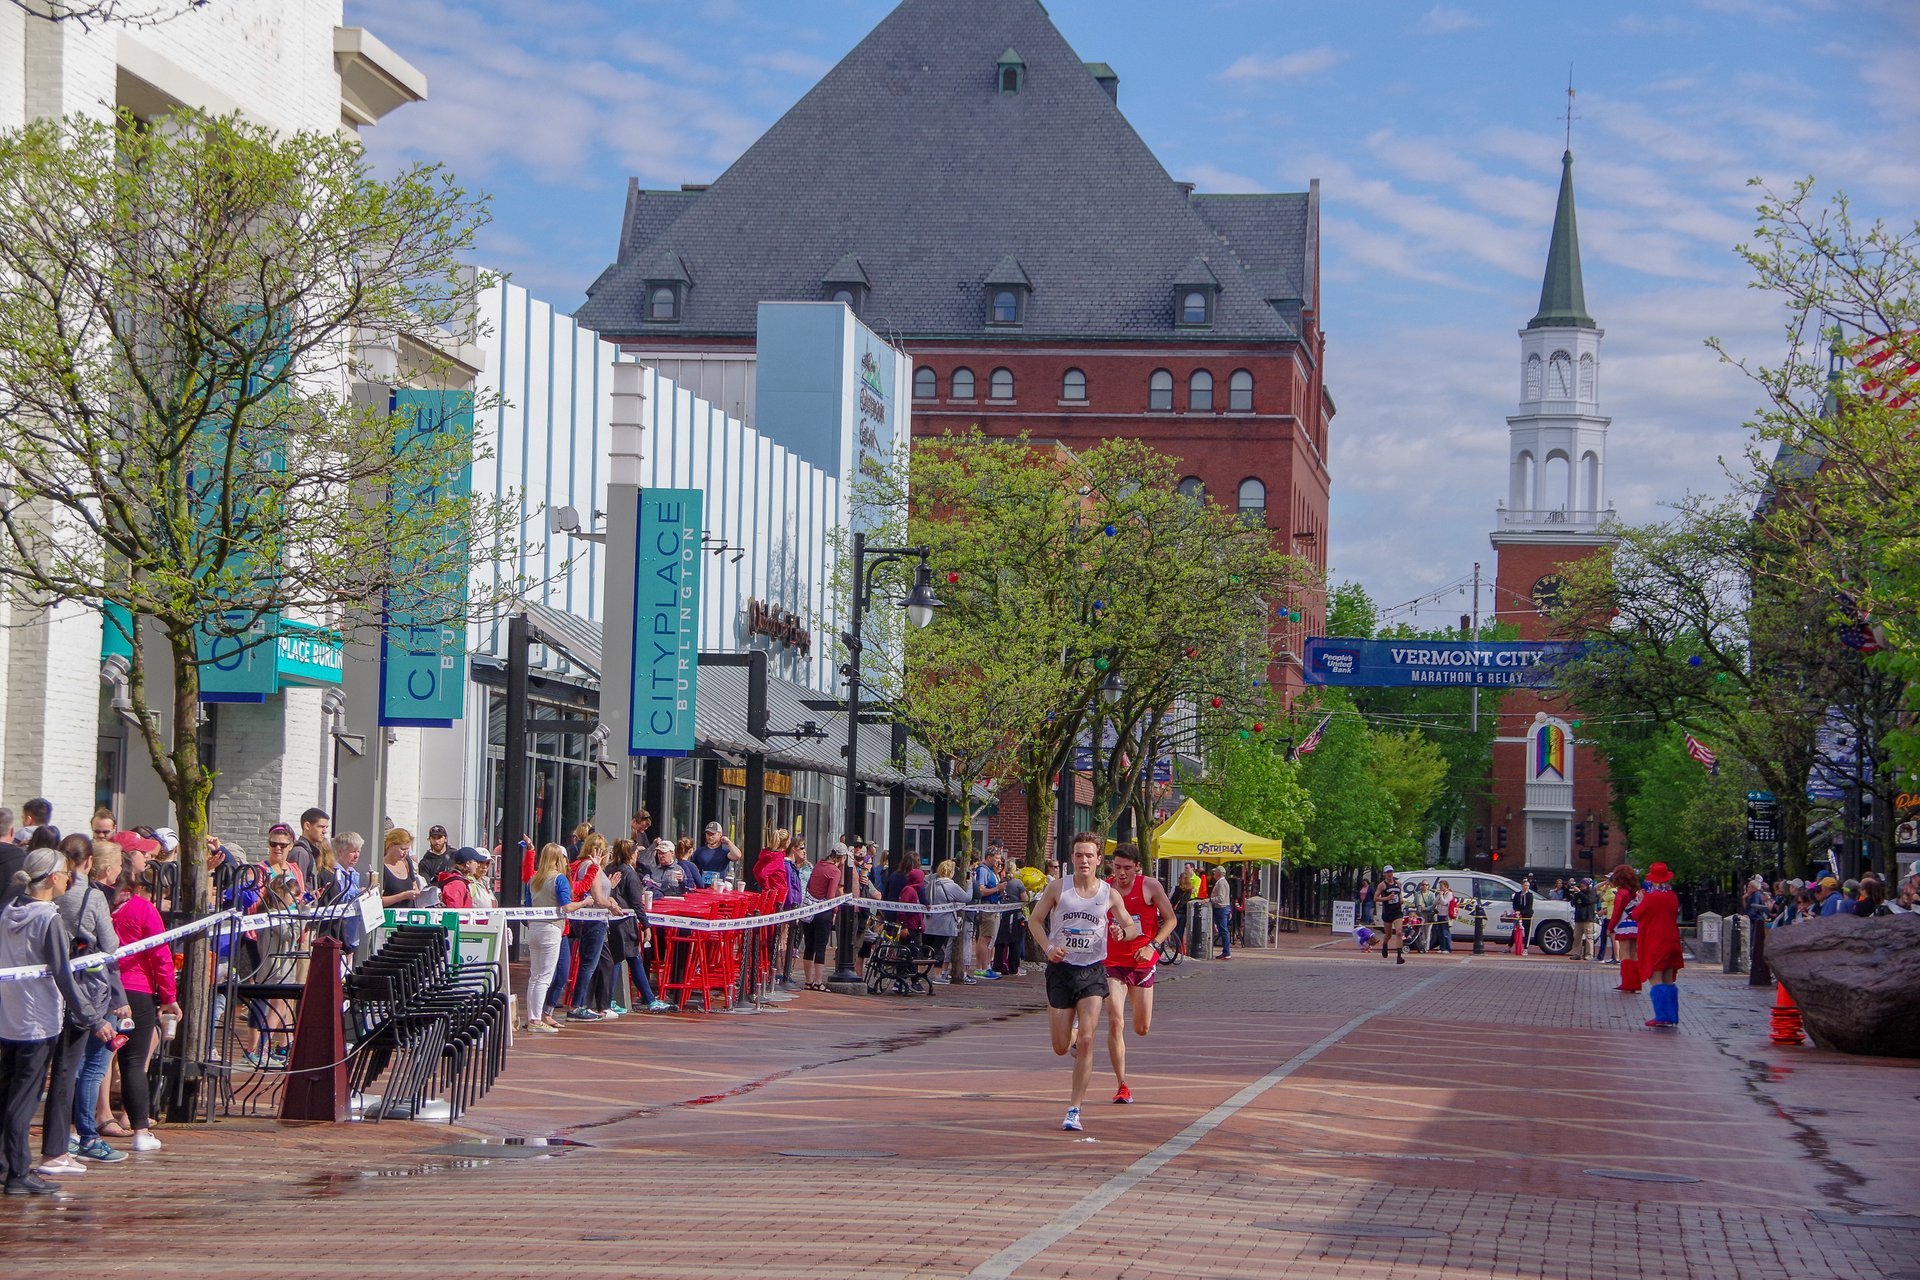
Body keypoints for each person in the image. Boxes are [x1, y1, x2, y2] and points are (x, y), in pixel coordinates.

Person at [2, 849, 116, 1195]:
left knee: (7, 1094)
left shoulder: (8, 911)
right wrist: (94, 1018)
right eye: (66, 873)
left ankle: (6, 1165)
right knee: (23, 1100)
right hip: (37, 1022)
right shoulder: (47, 919)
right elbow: (63, 975)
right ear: (52, 877)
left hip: (8, 1017)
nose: (70, 878)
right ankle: (19, 1173)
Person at [1026, 831, 1138, 1133]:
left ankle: (1074, 1109)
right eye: (1079, 855)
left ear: (1099, 859)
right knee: (1062, 1047)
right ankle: (1072, 1037)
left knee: (1088, 1040)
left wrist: (1121, 932)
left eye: (1089, 855)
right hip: (1061, 971)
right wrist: (1049, 948)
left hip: (1092, 971)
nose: (1084, 860)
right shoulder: (1058, 889)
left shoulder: (1108, 893)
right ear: (1072, 858)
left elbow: (1130, 925)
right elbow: (1034, 921)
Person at [44, 835, 127, 1173]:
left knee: (61, 1070)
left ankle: (63, 1139)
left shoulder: (52, 895)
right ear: (90, 862)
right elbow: (110, 945)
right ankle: (82, 1138)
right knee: (84, 1068)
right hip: (87, 990)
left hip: (50, 989)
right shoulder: (92, 897)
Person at [110, 858, 177, 1153]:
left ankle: (83, 1128)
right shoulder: (143, 909)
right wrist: (169, 997)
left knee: (92, 1066)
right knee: (134, 1063)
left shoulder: (97, 907)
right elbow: (160, 955)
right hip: (136, 989)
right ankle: (140, 1129)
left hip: (99, 989)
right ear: (135, 885)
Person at [1103, 842, 1176, 1105]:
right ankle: (1122, 1084)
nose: (1121, 873)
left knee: (1141, 1028)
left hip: (1143, 962)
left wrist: (1153, 945)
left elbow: (1170, 920)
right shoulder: (1106, 888)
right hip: (1113, 962)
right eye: (1117, 867)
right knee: (1115, 1020)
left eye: (1127, 868)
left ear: (1138, 868)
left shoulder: (1150, 886)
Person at [604, 839, 673, 1014]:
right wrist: (646, 925)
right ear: (631, 854)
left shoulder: (609, 869)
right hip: (624, 922)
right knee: (624, 959)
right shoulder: (629, 873)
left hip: (611, 920)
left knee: (628, 959)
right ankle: (611, 999)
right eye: (636, 853)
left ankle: (647, 998)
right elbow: (636, 903)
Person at [523, 844, 579, 1033]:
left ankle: (532, 1017)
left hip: (534, 928)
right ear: (557, 859)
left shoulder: (532, 880)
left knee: (535, 976)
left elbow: (529, 907)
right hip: (552, 928)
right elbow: (567, 907)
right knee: (545, 977)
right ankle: (537, 1020)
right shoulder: (559, 879)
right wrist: (585, 902)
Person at [1633, 862, 1684, 1028]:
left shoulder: (1651, 898)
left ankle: (1662, 1015)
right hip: (1672, 940)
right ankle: (1671, 1015)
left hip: (1656, 940)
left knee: (1656, 978)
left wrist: (1641, 901)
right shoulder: (1672, 896)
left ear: (1653, 880)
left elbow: (1636, 914)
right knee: (1669, 979)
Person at [801, 846, 846, 991]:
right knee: (820, 947)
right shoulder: (835, 871)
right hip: (823, 912)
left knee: (809, 946)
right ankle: (819, 982)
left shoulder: (818, 865)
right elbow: (831, 896)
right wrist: (835, 911)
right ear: (841, 857)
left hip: (809, 910)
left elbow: (809, 886)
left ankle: (808, 981)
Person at [923, 859, 967, 979]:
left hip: (928, 923)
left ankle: (920, 974)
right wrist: (970, 884)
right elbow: (967, 898)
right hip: (944, 925)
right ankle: (938, 976)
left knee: (924, 950)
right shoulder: (952, 886)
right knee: (939, 949)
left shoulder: (929, 884)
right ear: (952, 872)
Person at [969, 848, 1005, 979]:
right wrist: (997, 888)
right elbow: (981, 890)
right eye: (997, 858)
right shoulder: (983, 870)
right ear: (989, 857)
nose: (999, 861)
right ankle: (983, 968)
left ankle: (984, 967)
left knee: (988, 938)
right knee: (985, 938)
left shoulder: (990, 871)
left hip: (993, 907)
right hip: (987, 908)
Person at [1608, 865, 1643, 993]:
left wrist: (1610, 927)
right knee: (1634, 954)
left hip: (1624, 924)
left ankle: (1627, 983)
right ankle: (1635, 983)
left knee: (1625, 954)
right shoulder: (1634, 892)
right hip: (1636, 924)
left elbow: (1617, 912)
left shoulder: (1621, 892)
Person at [379, 828, 423, 908]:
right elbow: (378, 901)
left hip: (409, 916)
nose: (405, 853)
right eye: (402, 849)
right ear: (391, 845)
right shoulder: (382, 868)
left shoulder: (406, 861)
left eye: (407, 849)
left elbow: (414, 886)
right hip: (391, 916)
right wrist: (402, 896)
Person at [690, 822, 742, 887]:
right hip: (702, 890)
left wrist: (728, 842)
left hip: (719, 889)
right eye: (708, 834)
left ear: (720, 835)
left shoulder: (724, 851)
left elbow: (737, 855)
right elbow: (692, 869)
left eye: (713, 834)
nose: (710, 837)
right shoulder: (699, 851)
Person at [288, 808, 329, 885]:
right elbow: (296, 887)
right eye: (321, 826)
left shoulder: (308, 851)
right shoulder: (300, 852)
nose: (324, 831)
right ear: (307, 826)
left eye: (326, 827)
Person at [1376, 866, 1405, 963]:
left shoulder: (1398, 883)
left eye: (1391, 872)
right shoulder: (1382, 885)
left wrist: (1401, 899)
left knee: (1399, 932)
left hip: (1397, 911)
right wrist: (1387, 898)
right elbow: (1375, 898)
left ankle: (1399, 956)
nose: (1390, 874)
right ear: (1384, 874)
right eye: (1387, 872)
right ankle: (1384, 944)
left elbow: (1400, 894)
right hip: (1387, 912)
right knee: (1388, 934)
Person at [754, 829, 793, 901]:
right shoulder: (777, 858)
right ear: (786, 842)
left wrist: (763, 886)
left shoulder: (767, 854)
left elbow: (756, 870)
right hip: (776, 895)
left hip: (770, 894)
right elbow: (763, 874)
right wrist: (768, 889)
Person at [1209, 865, 1234, 959]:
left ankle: (1226, 952)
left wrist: (1210, 900)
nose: (1214, 874)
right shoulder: (1221, 882)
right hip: (1223, 908)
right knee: (1223, 930)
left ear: (1219, 873)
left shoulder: (1221, 883)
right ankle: (1226, 952)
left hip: (1221, 909)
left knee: (1223, 930)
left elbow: (1221, 898)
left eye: (1215, 872)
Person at [1571, 877, 1599, 960]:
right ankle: (1576, 953)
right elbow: (1573, 903)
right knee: (1576, 937)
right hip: (1579, 917)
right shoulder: (1578, 893)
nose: (1582, 887)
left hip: (1588, 918)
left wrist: (1579, 892)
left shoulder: (1591, 892)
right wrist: (1574, 895)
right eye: (1581, 886)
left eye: (1584, 886)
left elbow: (1588, 900)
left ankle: (1589, 954)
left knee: (1589, 937)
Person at [1432, 879, 1458, 954]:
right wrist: (1438, 895)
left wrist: (1441, 895)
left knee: (1445, 932)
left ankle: (1447, 948)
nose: (1440, 887)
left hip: (1446, 915)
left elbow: (1444, 902)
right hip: (1440, 914)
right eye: (1439, 886)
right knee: (1440, 932)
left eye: (1441, 886)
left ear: (1446, 886)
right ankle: (1442, 947)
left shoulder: (1449, 894)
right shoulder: (1441, 894)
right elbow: (1434, 902)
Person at [1512, 878, 1536, 956]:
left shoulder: (1530, 895)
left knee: (1527, 932)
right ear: (1522, 886)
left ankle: (1526, 948)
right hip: (1518, 915)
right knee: (1515, 930)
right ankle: (1509, 946)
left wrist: (1522, 912)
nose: (1527, 887)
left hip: (1527, 915)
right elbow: (1515, 904)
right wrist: (1517, 911)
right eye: (1525, 885)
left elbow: (1529, 907)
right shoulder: (1517, 894)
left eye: (1528, 886)